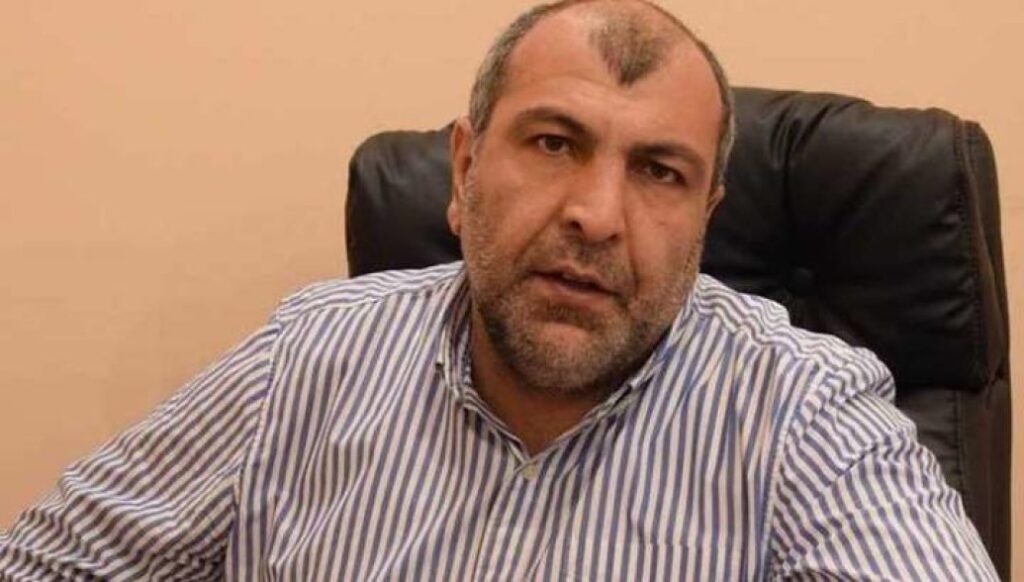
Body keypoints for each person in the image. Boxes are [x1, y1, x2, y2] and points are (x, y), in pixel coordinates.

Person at [0, 0, 999, 579]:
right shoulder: (305, 360)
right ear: (465, 167)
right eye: (555, 144)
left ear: (706, 216)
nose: (597, 216)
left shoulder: (804, 411)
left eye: (659, 172)